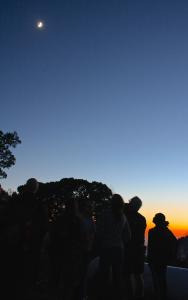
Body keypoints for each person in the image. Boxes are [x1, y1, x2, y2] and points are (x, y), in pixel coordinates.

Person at [97, 194, 131, 300]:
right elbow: (128, 235)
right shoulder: (123, 217)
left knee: (104, 274)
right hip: (119, 249)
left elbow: (99, 232)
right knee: (117, 275)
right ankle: (117, 295)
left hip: (106, 248)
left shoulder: (105, 214)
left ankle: (104, 295)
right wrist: (120, 241)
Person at [147, 213, 177, 300]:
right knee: (162, 279)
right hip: (163, 259)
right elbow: (174, 242)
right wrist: (170, 256)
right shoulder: (167, 231)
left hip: (154, 259)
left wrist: (149, 258)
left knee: (156, 279)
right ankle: (162, 296)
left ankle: (158, 296)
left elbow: (150, 247)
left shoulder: (152, 231)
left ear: (156, 220)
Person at [124, 196, 146, 300]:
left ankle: (130, 295)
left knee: (128, 274)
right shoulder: (142, 218)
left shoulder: (125, 215)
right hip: (139, 249)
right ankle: (140, 296)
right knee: (138, 274)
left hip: (129, 248)